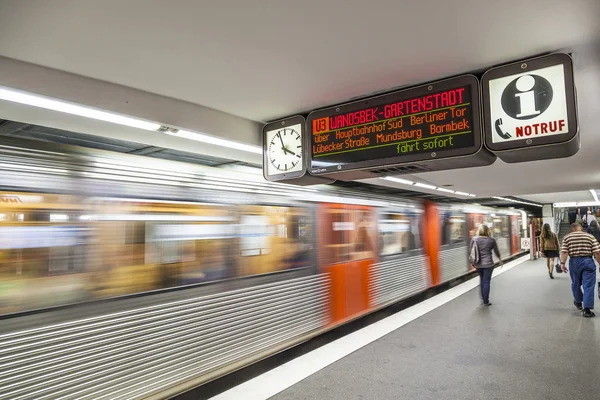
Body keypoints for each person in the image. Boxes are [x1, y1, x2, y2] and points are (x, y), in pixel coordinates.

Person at [560, 223, 600, 318]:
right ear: (581, 229)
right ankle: (587, 310)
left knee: (576, 283)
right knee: (589, 285)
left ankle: (578, 301)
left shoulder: (567, 237)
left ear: (572, 229)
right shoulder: (590, 236)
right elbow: (597, 252)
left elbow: (565, 252)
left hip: (574, 262)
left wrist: (562, 264)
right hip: (587, 261)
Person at [469, 224, 502, 306]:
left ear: (479, 231)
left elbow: (470, 251)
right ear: (488, 231)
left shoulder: (474, 239)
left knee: (482, 280)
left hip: (478, 264)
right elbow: (496, 251)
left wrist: (472, 262)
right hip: (488, 264)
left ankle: (483, 298)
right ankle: (485, 301)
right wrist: (500, 259)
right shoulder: (491, 240)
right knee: (486, 281)